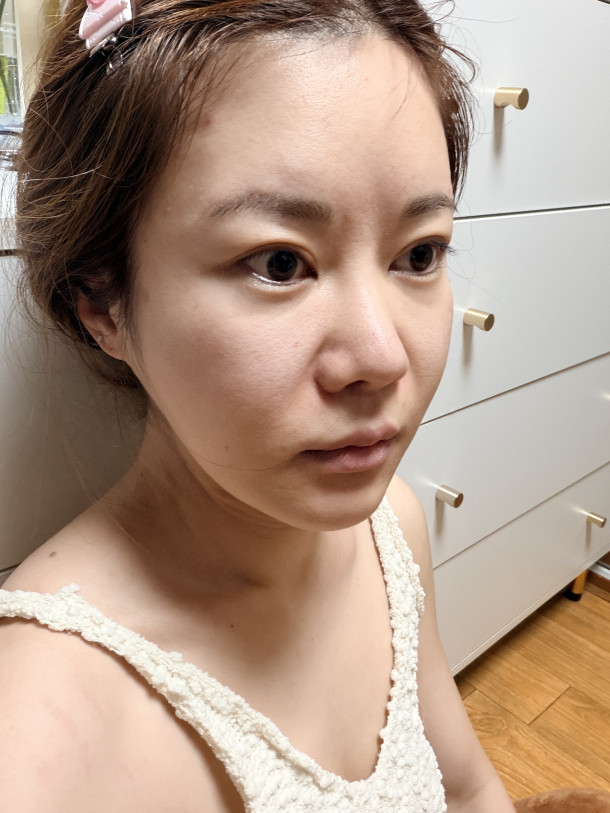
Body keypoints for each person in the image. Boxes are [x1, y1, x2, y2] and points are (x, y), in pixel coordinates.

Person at [0, 1, 516, 810]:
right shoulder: (44, 730)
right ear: (100, 300)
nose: (383, 356)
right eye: (279, 263)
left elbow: (466, 785)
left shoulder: (391, 529)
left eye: (419, 253)